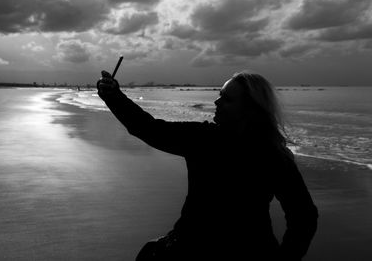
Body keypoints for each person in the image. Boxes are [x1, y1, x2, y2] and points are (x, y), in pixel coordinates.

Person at [97, 71, 318, 261]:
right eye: (219, 95)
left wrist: (114, 96)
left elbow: (148, 128)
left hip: (194, 248)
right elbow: (304, 217)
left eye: (227, 99)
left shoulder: (207, 141)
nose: (216, 102)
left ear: (250, 110)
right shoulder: (273, 153)